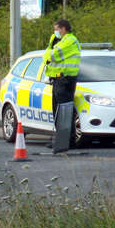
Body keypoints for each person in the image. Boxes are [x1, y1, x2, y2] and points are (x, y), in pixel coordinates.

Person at [43, 19, 81, 149]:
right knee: (58, 110)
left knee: (62, 111)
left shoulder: (69, 41)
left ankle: (66, 141)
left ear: (64, 29)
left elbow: (52, 56)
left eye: (57, 29)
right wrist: (52, 46)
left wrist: (49, 49)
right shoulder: (61, 41)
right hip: (59, 79)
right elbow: (49, 55)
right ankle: (62, 140)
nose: (55, 32)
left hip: (64, 79)